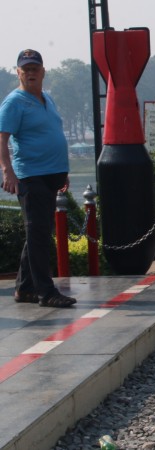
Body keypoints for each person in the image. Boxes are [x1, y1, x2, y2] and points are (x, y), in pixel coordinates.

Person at [0, 49, 76, 307]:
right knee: (38, 233)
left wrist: (62, 172)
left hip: (52, 174)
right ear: (18, 72)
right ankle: (47, 292)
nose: (30, 73)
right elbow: (2, 138)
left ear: (43, 72)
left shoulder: (48, 98)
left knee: (39, 233)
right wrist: (7, 170)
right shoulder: (14, 102)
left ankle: (24, 288)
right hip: (30, 176)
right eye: (26, 69)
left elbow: (53, 133)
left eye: (35, 68)